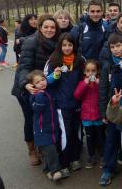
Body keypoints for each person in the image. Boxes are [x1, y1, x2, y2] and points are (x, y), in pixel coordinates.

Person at [12, 14, 59, 166]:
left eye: (52, 27)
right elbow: (23, 67)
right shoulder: (31, 42)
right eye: (46, 27)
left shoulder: (57, 42)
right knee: (31, 118)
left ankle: (45, 146)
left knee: (44, 118)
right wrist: (25, 84)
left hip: (44, 86)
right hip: (27, 87)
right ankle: (32, 149)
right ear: (40, 28)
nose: (49, 30)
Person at [98, 33, 122, 186]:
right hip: (113, 109)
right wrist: (104, 112)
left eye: (118, 46)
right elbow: (103, 89)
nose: (115, 50)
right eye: (112, 47)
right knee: (111, 140)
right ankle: (108, 169)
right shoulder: (107, 66)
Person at [45, 33, 85, 177]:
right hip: (62, 104)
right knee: (66, 134)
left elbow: (84, 79)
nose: (67, 48)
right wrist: (54, 76)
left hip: (78, 104)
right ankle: (64, 162)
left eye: (70, 45)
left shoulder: (80, 60)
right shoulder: (53, 61)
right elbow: (46, 82)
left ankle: (75, 158)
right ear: (59, 46)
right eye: (64, 45)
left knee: (78, 132)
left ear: (74, 46)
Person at [28, 70, 62, 181]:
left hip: (52, 128)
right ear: (33, 86)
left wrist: (56, 74)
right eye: (38, 82)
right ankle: (55, 170)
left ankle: (47, 170)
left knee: (49, 151)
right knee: (50, 150)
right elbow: (38, 109)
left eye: (43, 80)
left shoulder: (48, 90)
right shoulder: (35, 96)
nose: (42, 83)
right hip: (42, 130)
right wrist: (39, 97)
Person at [74, 59, 104, 169]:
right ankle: (91, 156)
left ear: (97, 71)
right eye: (88, 71)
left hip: (98, 116)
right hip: (86, 117)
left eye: (93, 70)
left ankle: (102, 156)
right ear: (84, 72)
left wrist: (98, 83)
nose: (90, 73)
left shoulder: (99, 82)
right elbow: (77, 95)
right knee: (89, 137)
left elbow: (104, 92)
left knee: (101, 137)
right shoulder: (82, 83)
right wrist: (85, 84)